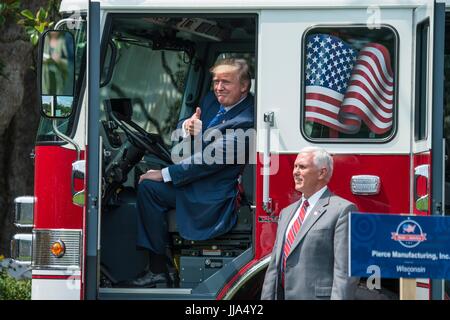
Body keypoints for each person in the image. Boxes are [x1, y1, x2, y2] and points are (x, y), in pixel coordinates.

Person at [129, 58, 254, 288]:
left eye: (226, 82)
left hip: (213, 194)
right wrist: (187, 128)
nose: (218, 88)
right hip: (194, 182)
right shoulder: (210, 101)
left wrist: (164, 173)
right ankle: (160, 266)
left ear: (244, 85)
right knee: (148, 188)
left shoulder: (247, 119)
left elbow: (209, 160)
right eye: (216, 81)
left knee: (151, 186)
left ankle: (159, 270)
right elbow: (181, 133)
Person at [261, 147, 359, 300]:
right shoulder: (286, 213)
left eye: (302, 167)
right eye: (295, 166)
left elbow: (344, 273)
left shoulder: (343, 210)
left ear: (322, 172)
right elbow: (274, 268)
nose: (295, 172)